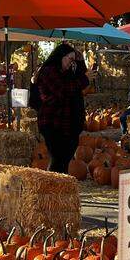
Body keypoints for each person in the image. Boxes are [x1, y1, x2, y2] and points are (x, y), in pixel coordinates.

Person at [32, 42, 89, 174]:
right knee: (58, 159)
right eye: (70, 59)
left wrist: (80, 62)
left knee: (65, 160)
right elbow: (64, 90)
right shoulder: (48, 71)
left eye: (73, 60)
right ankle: (51, 188)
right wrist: (83, 79)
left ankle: (59, 188)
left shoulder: (66, 72)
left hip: (67, 122)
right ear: (61, 56)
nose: (71, 63)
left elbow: (79, 81)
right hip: (52, 121)